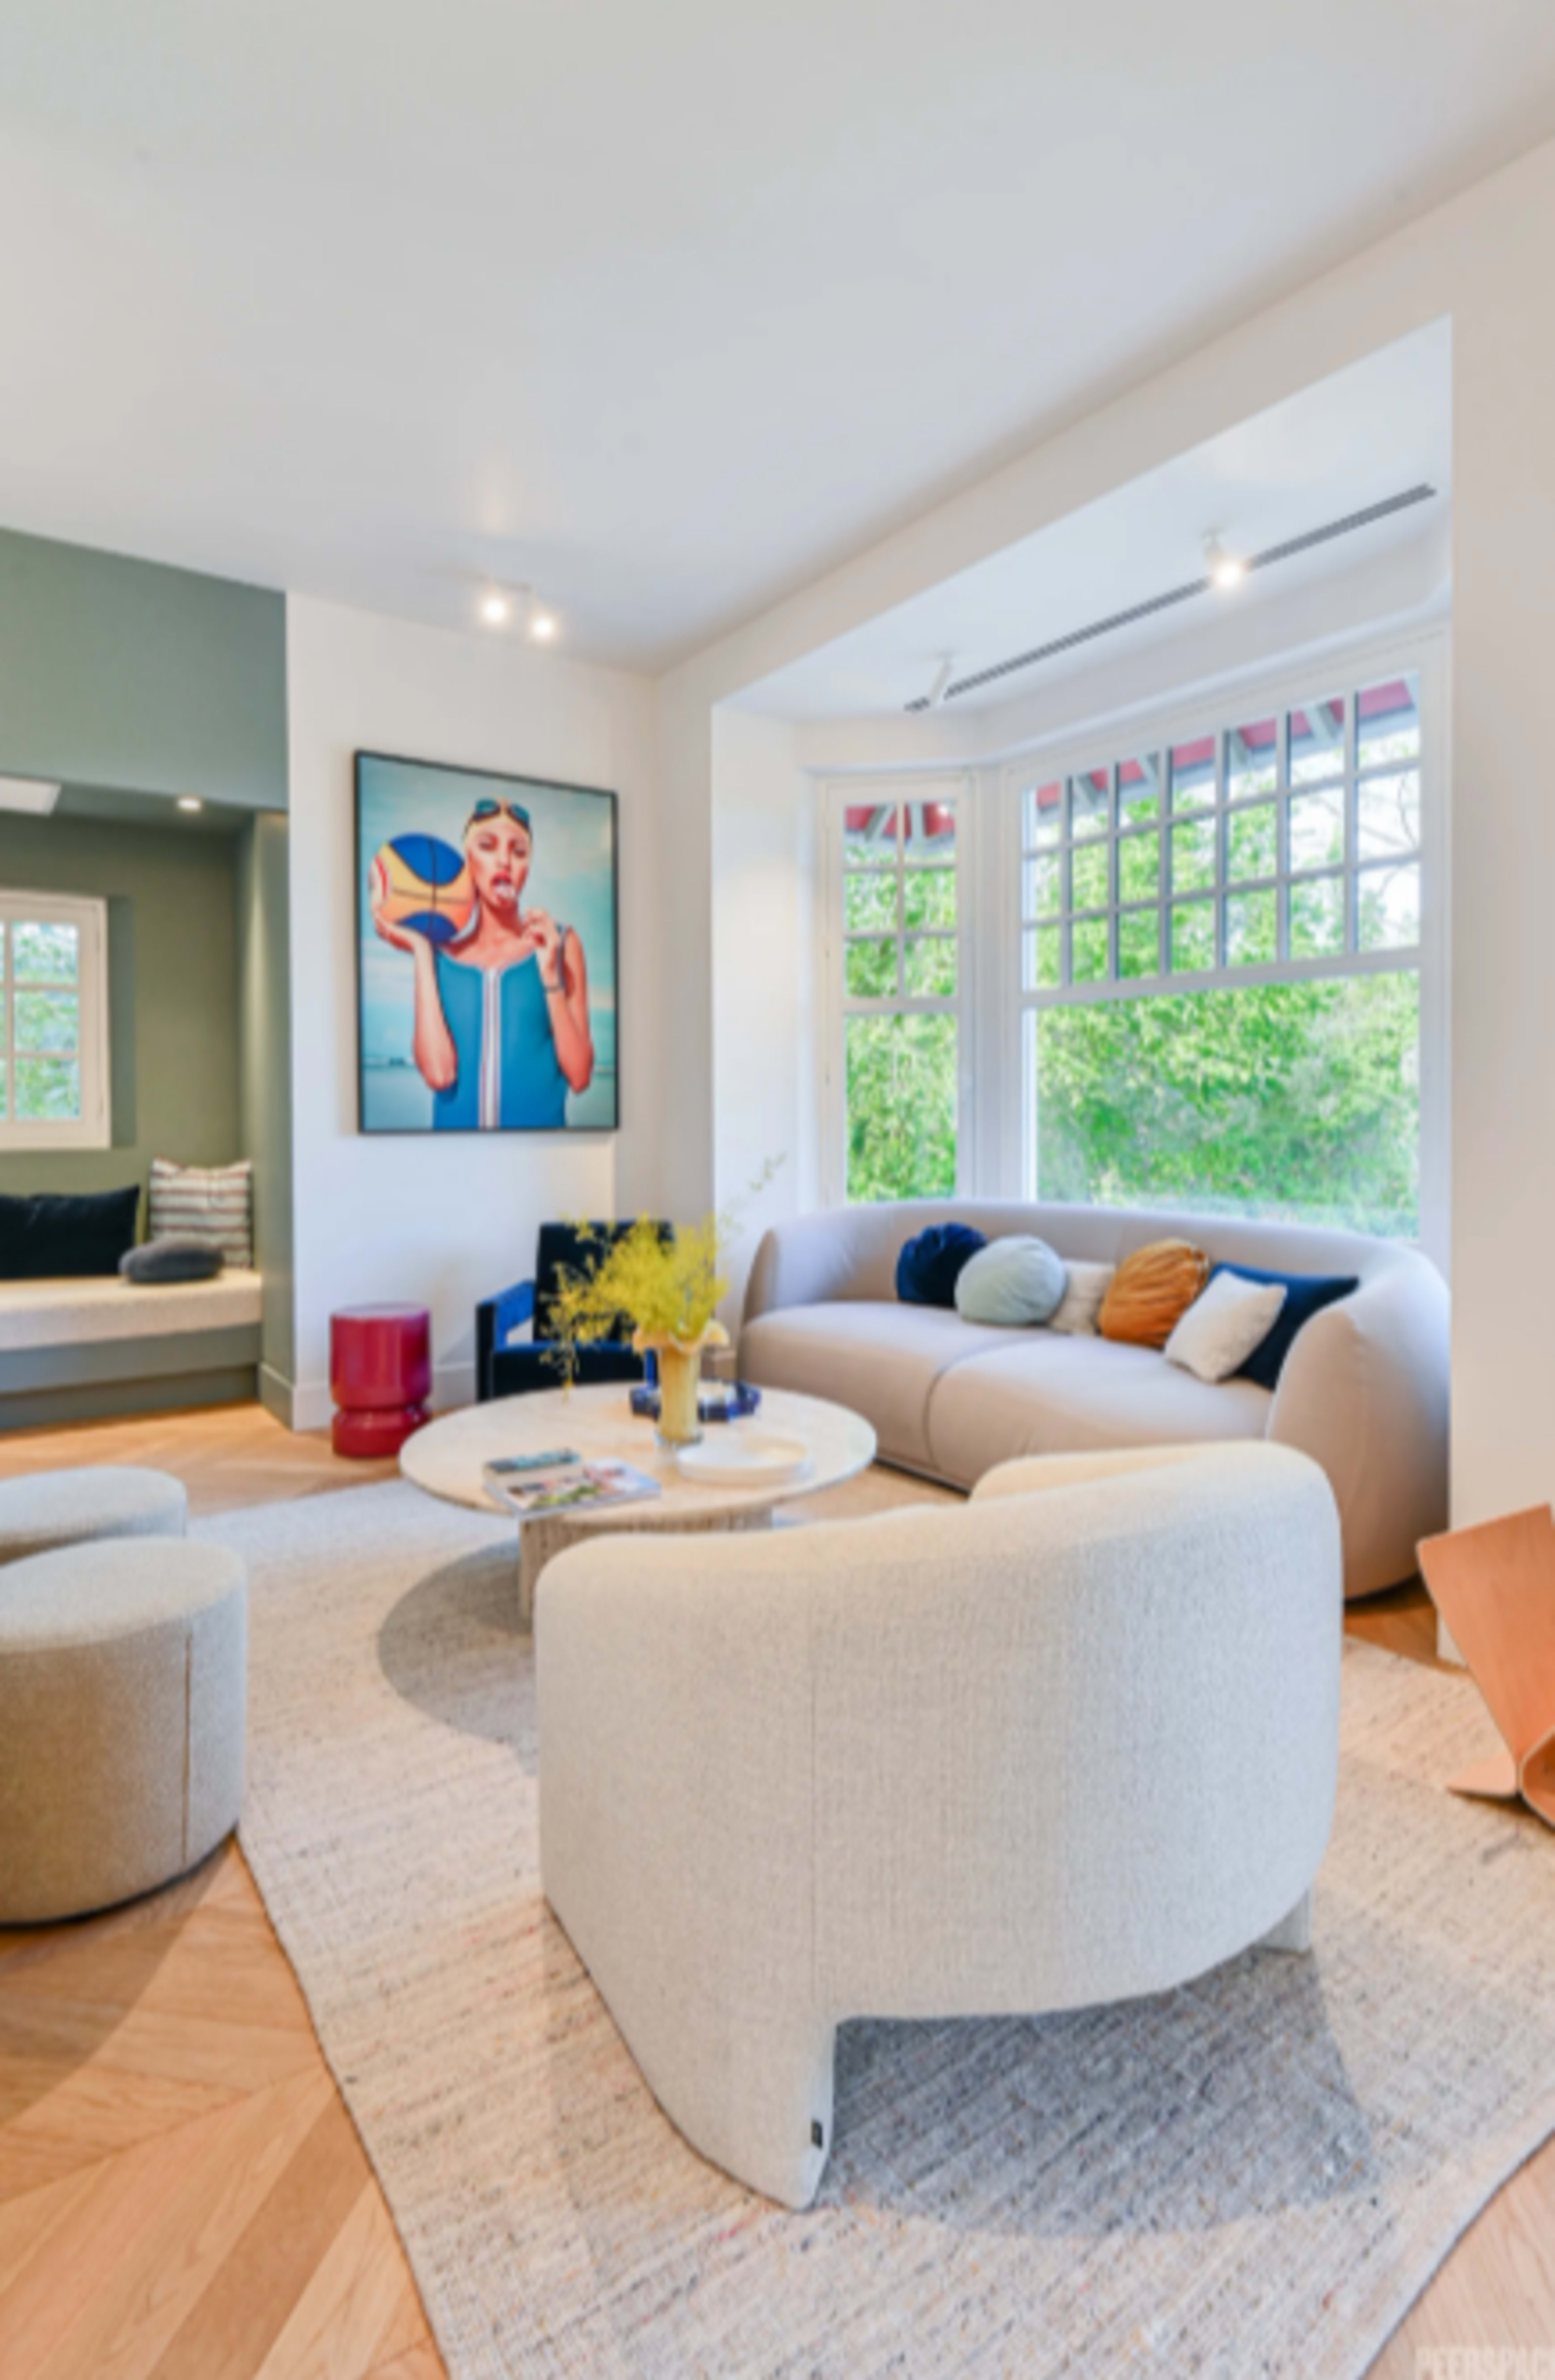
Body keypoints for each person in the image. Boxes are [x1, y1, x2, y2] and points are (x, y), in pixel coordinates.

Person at [370, 795, 594, 1128]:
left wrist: (549, 976)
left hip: (542, 1163)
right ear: (468, 861)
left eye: (519, 852)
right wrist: (421, 951)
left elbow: (580, 1076)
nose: (504, 860)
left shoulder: (561, 943)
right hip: (456, 1167)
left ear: (527, 868)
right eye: (488, 846)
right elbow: (439, 1074)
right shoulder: (441, 958)